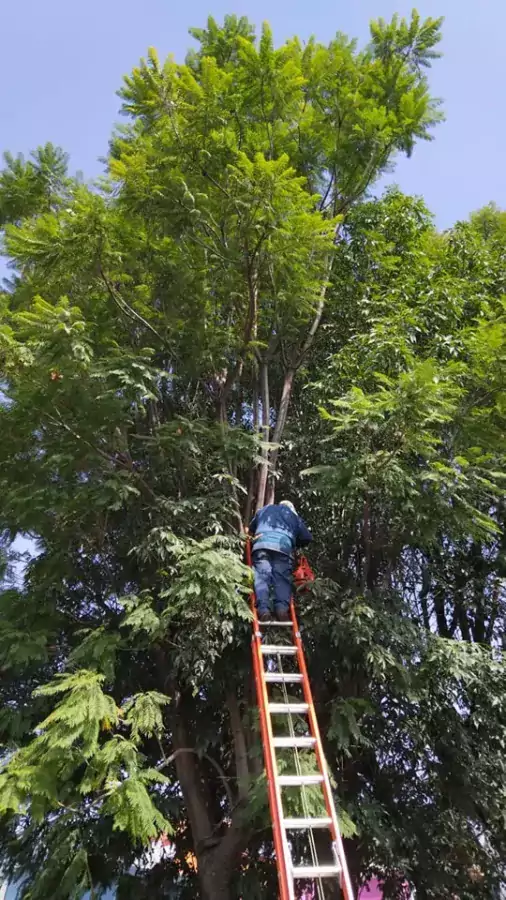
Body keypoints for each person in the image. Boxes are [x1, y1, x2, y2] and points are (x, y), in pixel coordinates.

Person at [249, 500, 313, 622]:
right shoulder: (292, 516)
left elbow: (252, 528)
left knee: (262, 577)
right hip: (283, 548)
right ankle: (281, 610)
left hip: (261, 544)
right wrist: (295, 542)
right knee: (282, 578)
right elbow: (306, 537)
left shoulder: (265, 510)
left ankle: (263, 610)